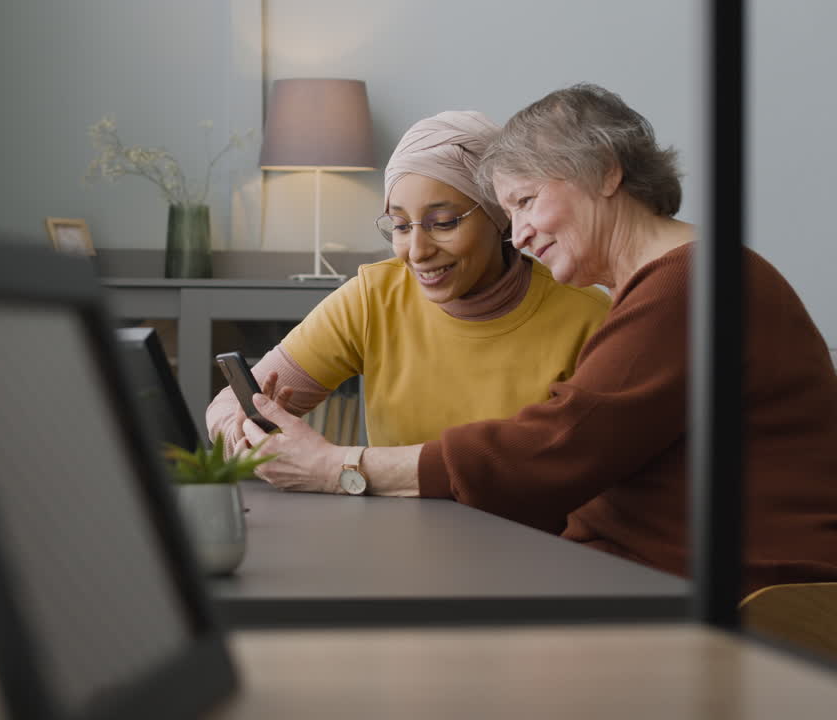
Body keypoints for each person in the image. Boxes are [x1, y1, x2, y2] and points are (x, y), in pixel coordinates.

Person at [244, 83, 837, 595]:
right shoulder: (675, 281)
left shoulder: (687, 287)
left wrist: (337, 466)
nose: (520, 233)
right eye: (510, 210)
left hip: (737, 597)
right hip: (649, 575)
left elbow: (550, 449)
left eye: (527, 201)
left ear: (607, 171)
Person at [206, 111, 611, 482]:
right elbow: (228, 405)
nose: (416, 251)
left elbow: (567, 473)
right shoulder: (373, 297)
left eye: (444, 223)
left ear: (499, 215)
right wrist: (240, 434)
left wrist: (334, 467)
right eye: (400, 226)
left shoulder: (590, 318)